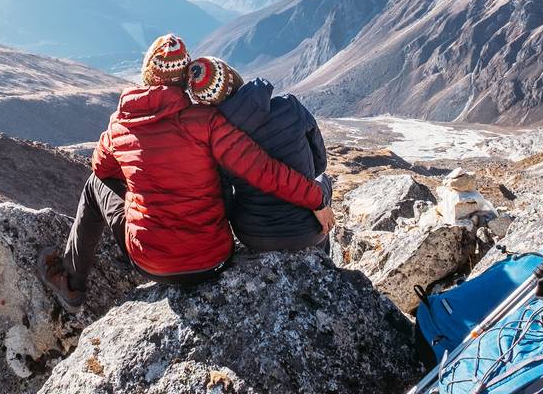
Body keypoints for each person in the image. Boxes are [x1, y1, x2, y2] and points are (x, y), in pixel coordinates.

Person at [39, 34, 334, 310]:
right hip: (214, 260)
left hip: (150, 263)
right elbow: (264, 170)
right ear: (184, 79)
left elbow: (102, 169)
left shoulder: (119, 125)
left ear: (147, 74)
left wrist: (144, 179)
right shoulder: (207, 122)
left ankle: (72, 284)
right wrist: (316, 200)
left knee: (94, 185)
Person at [185, 56, 331, 253]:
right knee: (324, 180)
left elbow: (225, 197)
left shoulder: (215, 141)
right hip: (305, 230)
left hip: (253, 234)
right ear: (233, 77)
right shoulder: (289, 106)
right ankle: (323, 260)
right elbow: (320, 163)